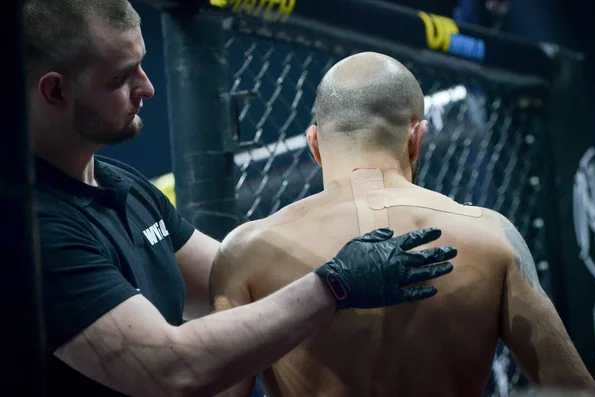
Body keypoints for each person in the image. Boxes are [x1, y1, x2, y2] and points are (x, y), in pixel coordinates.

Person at [24, 1, 458, 396]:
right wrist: (335, 283)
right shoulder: (33, 228)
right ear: (56, 91)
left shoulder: (123, 186)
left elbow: (248, 277)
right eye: (120, 77)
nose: (147, 87)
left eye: (141, 65)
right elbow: (168, 369)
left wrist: (376, 253)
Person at [209, 52, 595, 397]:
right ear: (417, 137)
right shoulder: (492, 237)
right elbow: (574, 391)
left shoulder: (247, 250)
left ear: (314, 144)